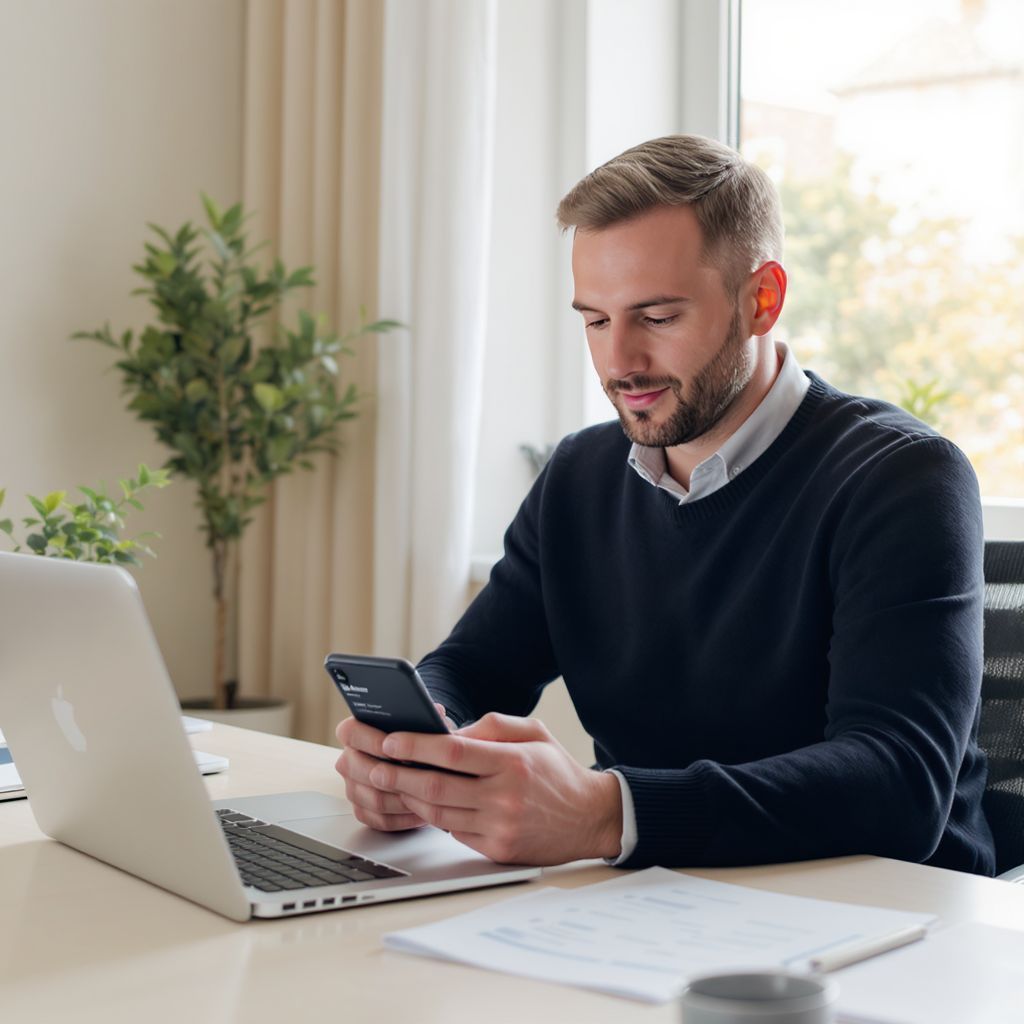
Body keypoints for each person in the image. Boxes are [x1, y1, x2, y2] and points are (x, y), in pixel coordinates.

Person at [335, 134, 995, 875]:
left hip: (893, 919)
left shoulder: (901, 479)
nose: (619, 363)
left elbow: (899, 783)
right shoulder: (579, 476)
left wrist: (604, 814)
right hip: (657, 908)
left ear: (761, 300)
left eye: (657, 317)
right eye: (594, 320)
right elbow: (469, 667)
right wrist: (418, 750)